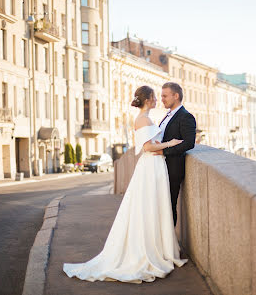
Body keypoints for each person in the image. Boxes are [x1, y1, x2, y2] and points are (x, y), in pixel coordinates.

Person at [63, 85, 187, 283]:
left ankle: (158, 248)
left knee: (152, 207)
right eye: (155, 97)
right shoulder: (143, 119)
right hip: (151, 166)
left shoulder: (145, 118)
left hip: (154, 166)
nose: (157, 100)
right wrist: (170, 143)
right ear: (147, 100)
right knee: (149, 207)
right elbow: (147, 147)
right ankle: (150, 251)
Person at [155, 82, 196, 226]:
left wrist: (163, 150)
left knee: (169, 207)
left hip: (173, 169)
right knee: (160, 207)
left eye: (165, 96)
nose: (162, 99)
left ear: (176, 96)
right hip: (161, 167)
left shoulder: (186, 117)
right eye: (161, 96)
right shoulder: (167, 116)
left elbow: (189, 143)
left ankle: (169, 243)